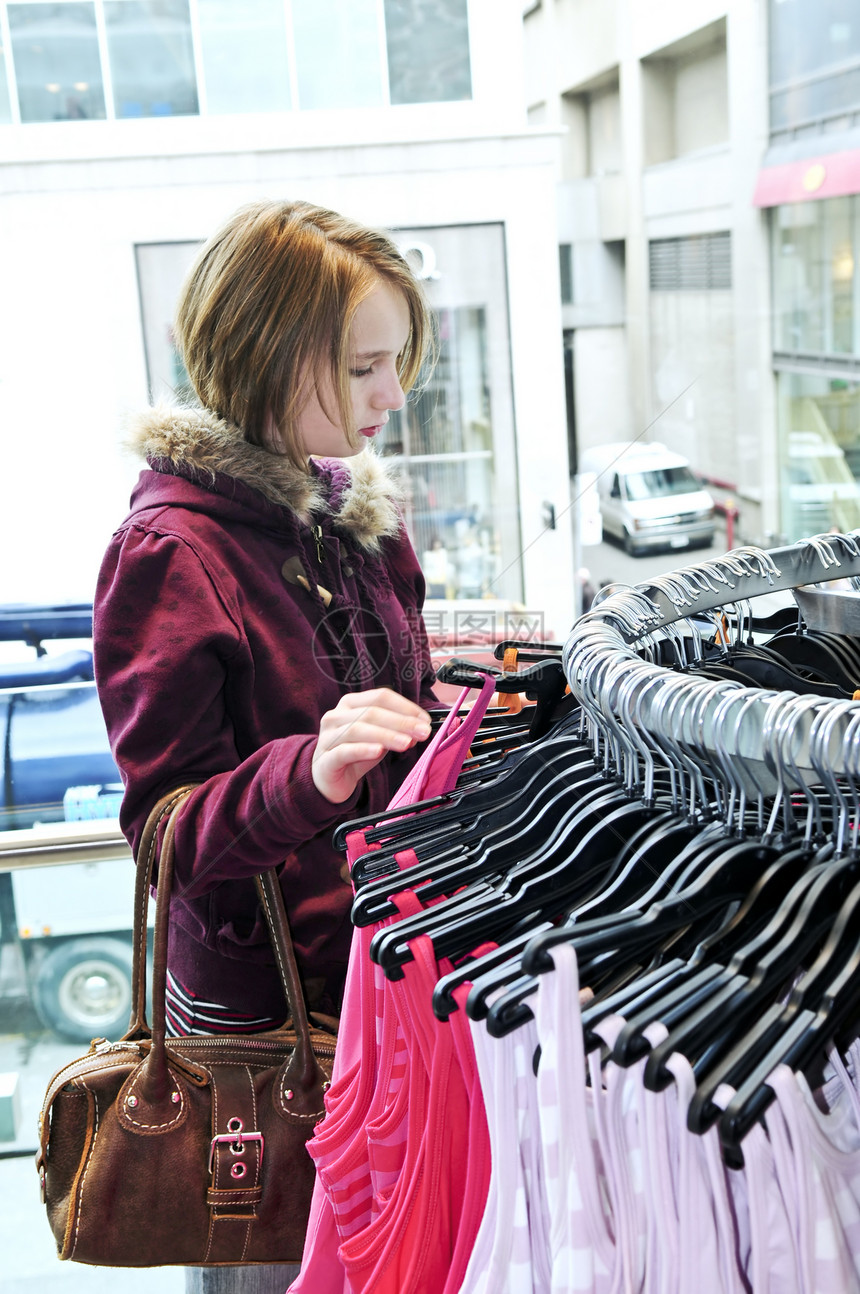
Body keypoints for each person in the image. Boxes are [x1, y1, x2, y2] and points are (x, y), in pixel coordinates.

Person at [92, 199, 442, 1293]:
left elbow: (392, 702)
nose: (393, 394)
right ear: (266, 357)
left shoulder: (347, 521)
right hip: (273, 1033)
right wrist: (311, 770)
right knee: (278, 1262)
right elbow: (164, 837)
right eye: (363, 366)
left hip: (381, 984)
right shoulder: (171, 550)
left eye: (395, 362)